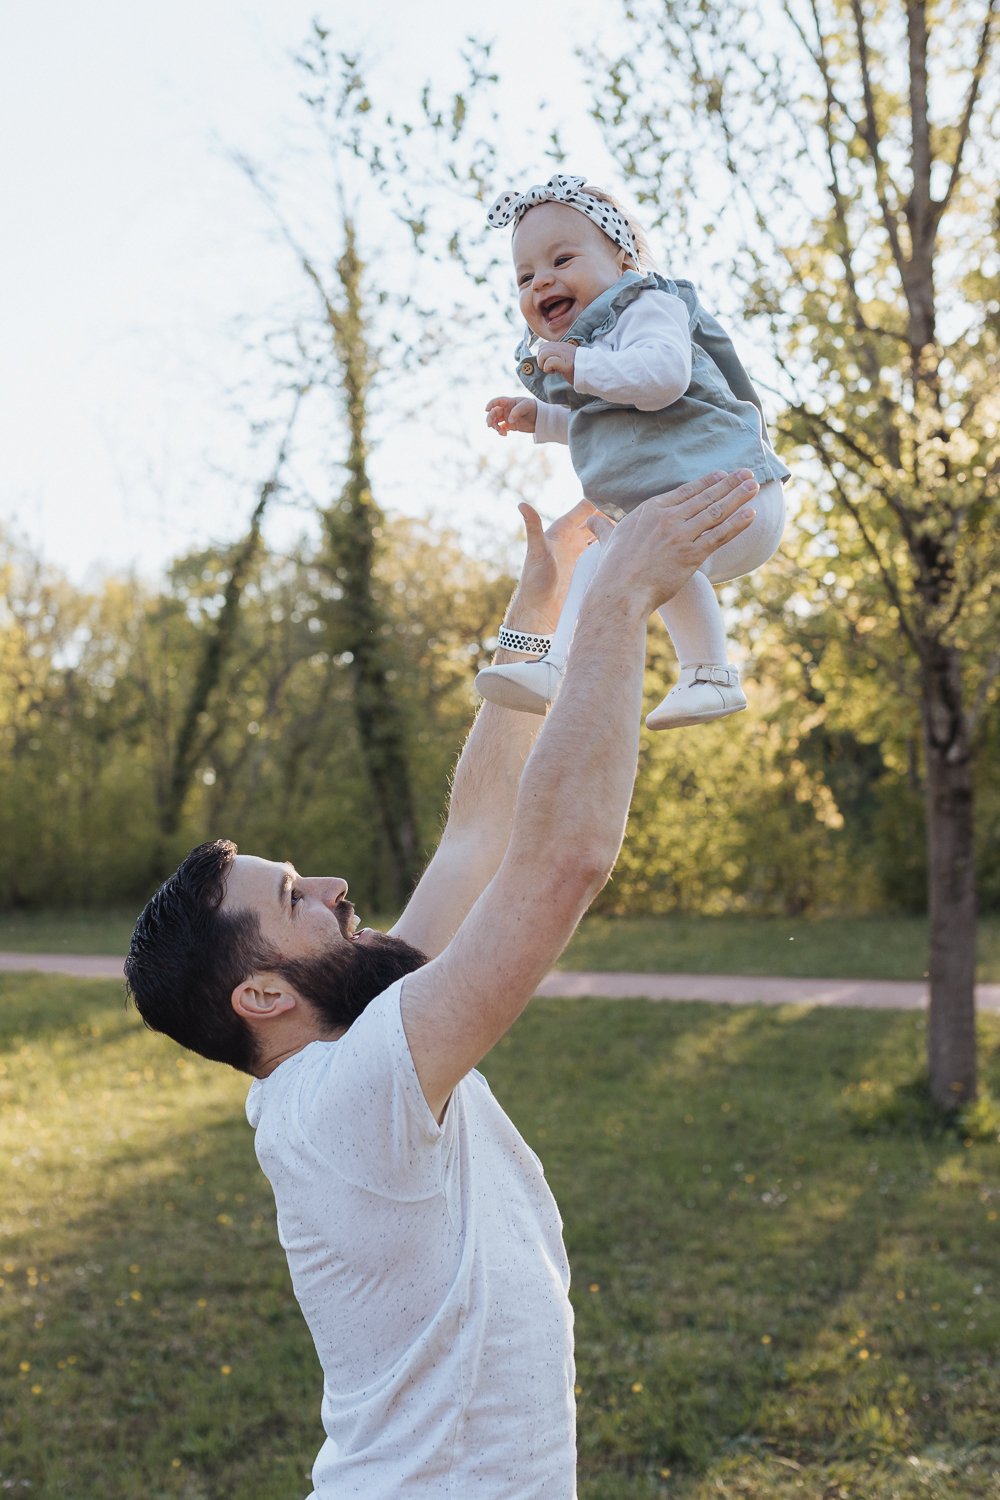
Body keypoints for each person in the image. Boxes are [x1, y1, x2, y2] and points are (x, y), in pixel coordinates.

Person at [125, 469, 759, 1500]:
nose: (333, 886)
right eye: (293, 896)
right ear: (263, 996)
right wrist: (617, 602)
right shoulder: (352, 1092)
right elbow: (559, 861)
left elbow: (476, 832)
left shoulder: (352, 1045)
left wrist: (539, 603)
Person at [478, 173, 790, 730]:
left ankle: (710, 673)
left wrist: (584, 367)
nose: (541, 281)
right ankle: (557, 666)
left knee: (645, 544)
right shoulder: (593, 350)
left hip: (737, 491)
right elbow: (612, 417)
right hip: (689, 505)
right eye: (525, 275)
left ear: (621, 259)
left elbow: (663, 380)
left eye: (562, 259)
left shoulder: (647, 305)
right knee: (604, 557)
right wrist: (543, 419)